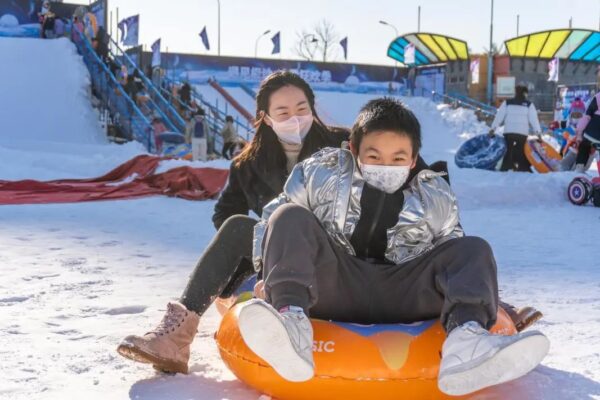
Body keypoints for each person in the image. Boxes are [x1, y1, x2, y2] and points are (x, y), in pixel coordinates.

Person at [238, 98, 550, 396]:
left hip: (403, 290)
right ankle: (290, 324)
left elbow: (455, 260)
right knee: (289, 216)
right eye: (374, 157)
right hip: (334, 284)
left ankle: (466, 341)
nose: (386, 165)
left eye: (398, 158)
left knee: (473, 248)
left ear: (413, 159)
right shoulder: (321, 172)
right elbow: (273, 222)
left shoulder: (435, 194)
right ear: (353, 149)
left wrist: (488, 304)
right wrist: (268, 276)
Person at [116, 71, 353, 374]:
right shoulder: (248, 164)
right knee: (238, 226)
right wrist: (259, 250)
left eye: (302, 109)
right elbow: (225, 213)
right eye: (283, 112)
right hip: (279, 256)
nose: (294, 118)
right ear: (266, 118)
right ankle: (176, 337)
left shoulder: (345, 144)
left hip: (337, 255)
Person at [489, 85, 542, 172]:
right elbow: (534, 120)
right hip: (522, 133)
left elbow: (499, 116)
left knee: (508, 150)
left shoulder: (507, 103)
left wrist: (493, 128)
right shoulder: (529, 105)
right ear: (525, 94)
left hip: (509, 132)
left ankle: (506, 167)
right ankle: (522, 167)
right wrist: (538, 133)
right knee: (520, 150)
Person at [574, 92, 600, 172]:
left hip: (591, 133)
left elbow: (587, 116)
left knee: (584, 145)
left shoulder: (598, 96)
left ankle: (579, 168)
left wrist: (579, 131)